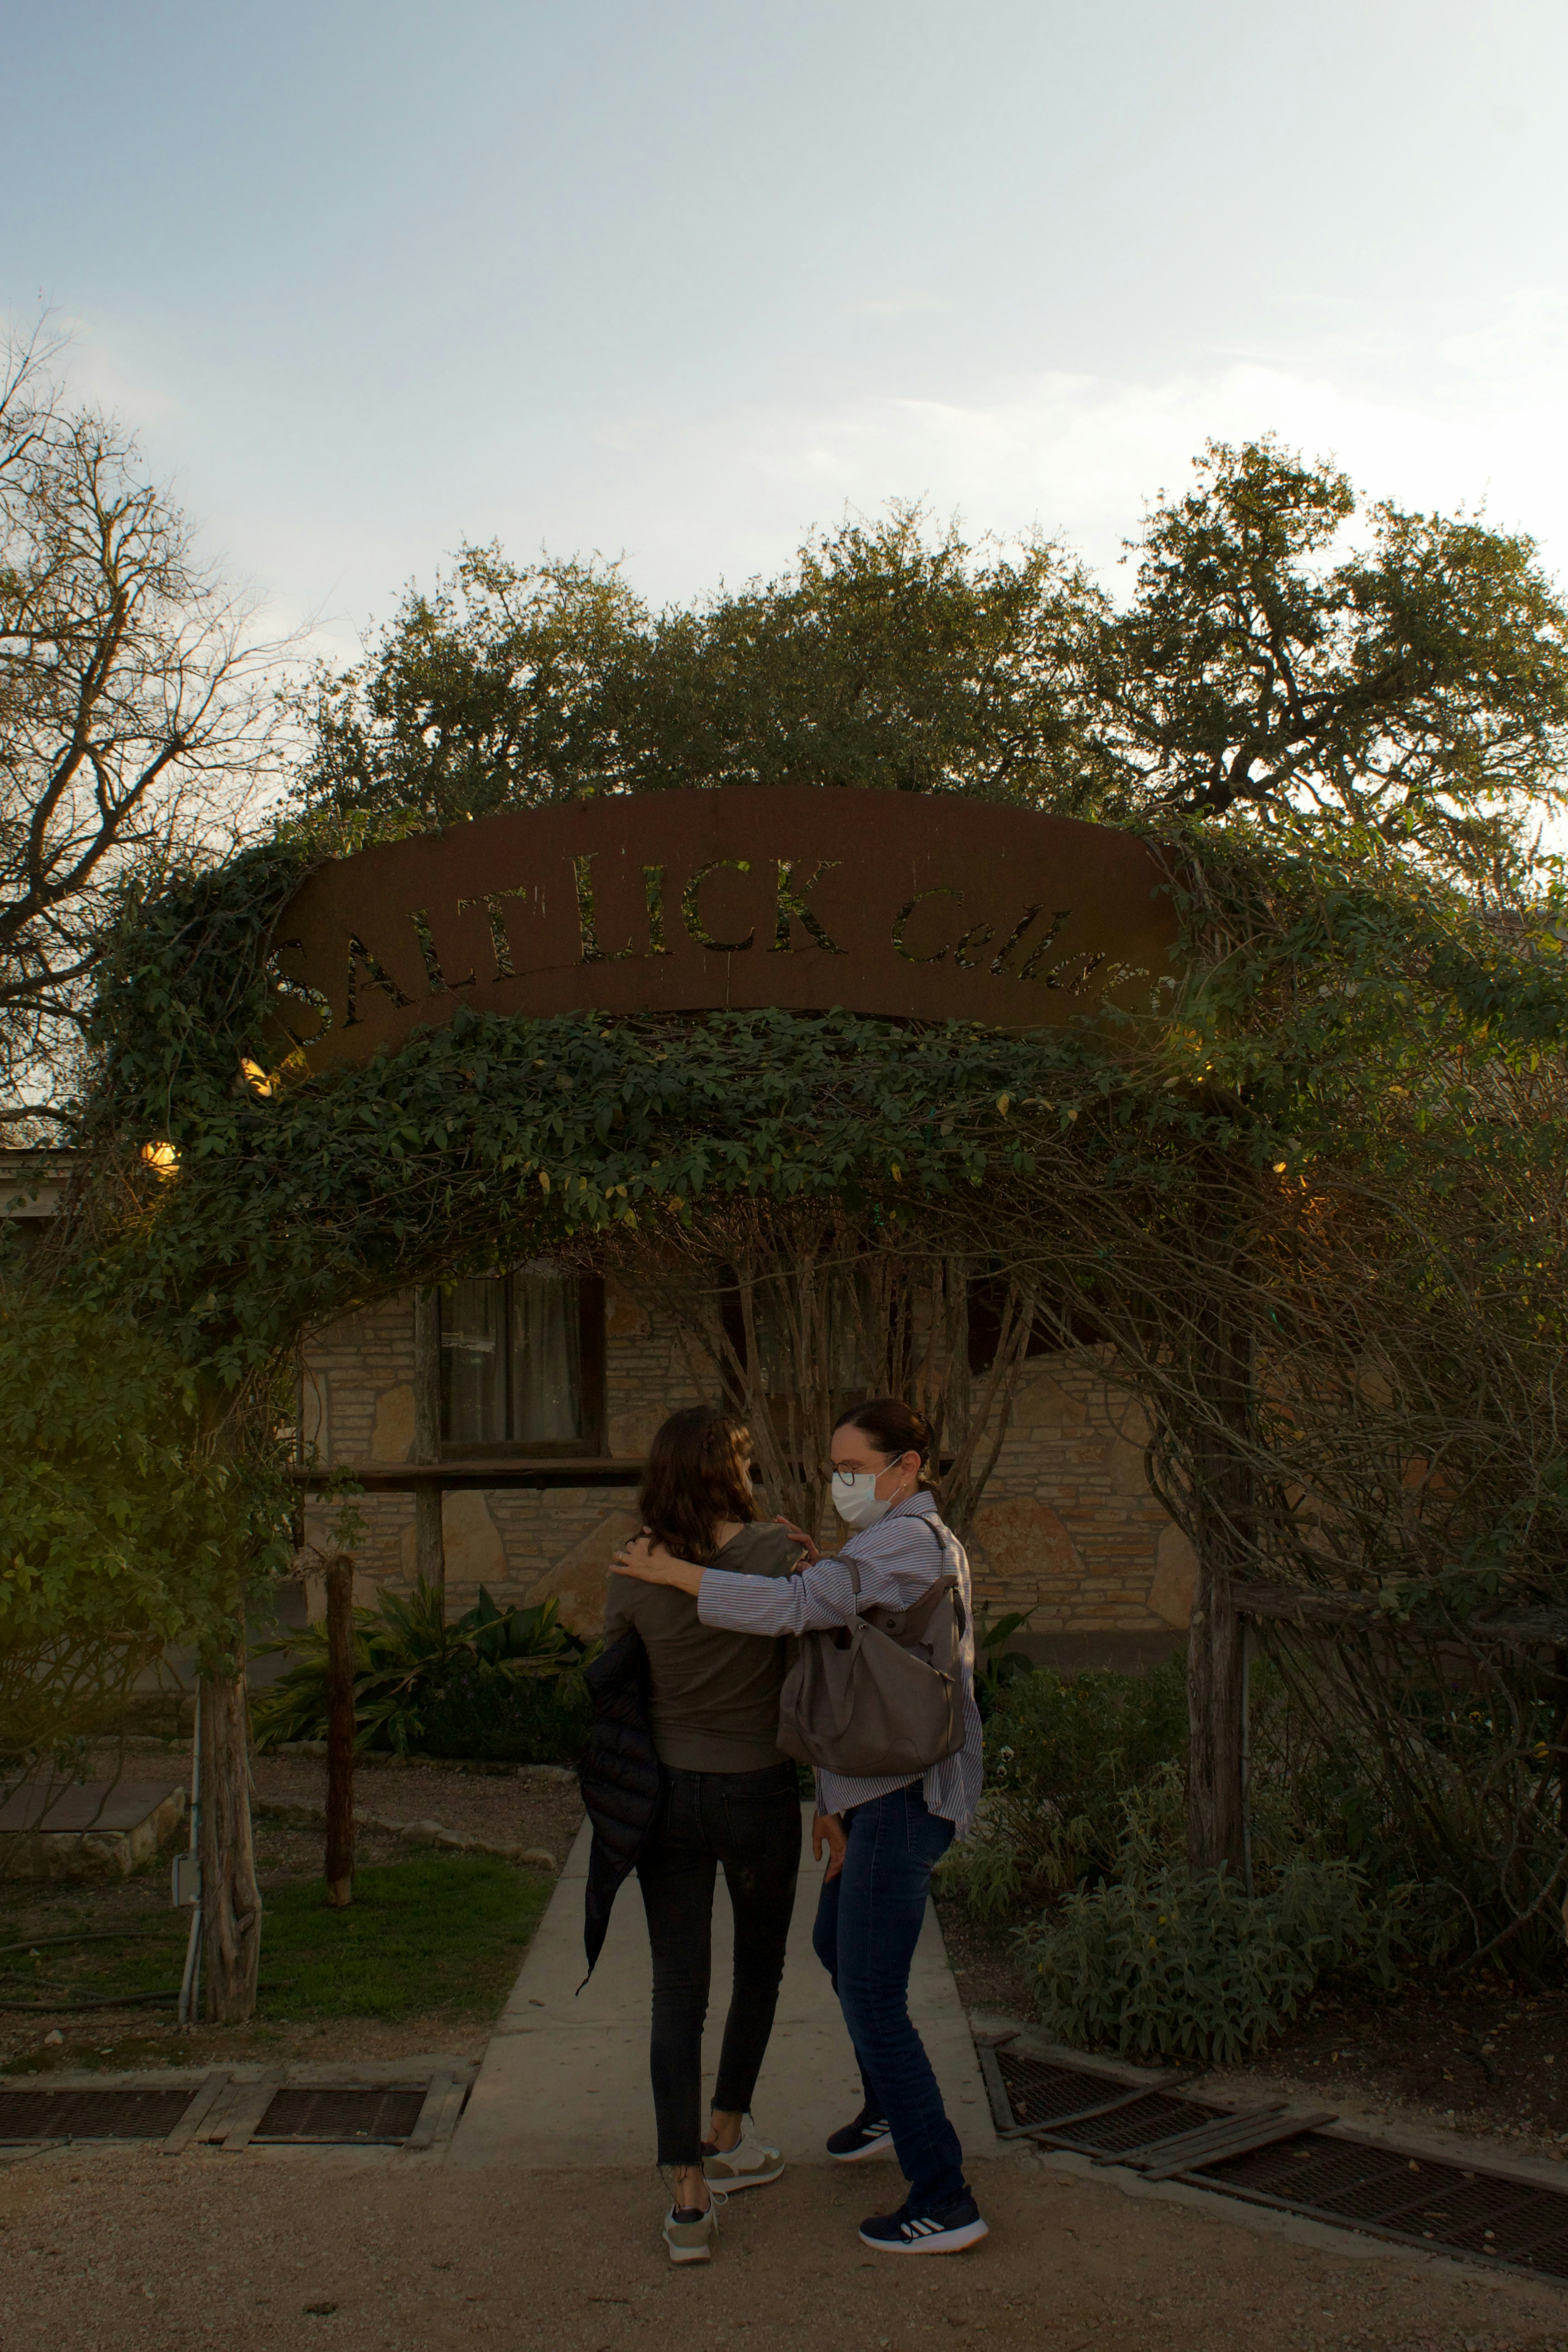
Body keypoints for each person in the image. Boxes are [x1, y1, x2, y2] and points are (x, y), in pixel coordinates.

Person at [613, 1396, 988, 2257]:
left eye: (854, 1468)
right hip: (839, 1795)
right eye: (837, 1467)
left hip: (895, 1800)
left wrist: (672, 1575)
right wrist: (832, 1800)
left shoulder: (902, 1538)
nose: (840, 1481)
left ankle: (944, 2195)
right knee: (818, 1947)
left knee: (859, 1991)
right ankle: (843, 2112)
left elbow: (792, 1614)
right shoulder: (859, 1543)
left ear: (907, 1468)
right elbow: (835, 1636)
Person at [599, 1404, 804, 2265]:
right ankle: (729, 2127)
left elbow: (615, 1674)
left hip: (667, 1800)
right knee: (759, 1967)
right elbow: (810, 1673)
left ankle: (689, 2200)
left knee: (677, 1990)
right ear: (733, 1470)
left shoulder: (634, 1565)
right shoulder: (779, 1556)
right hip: (758, 1790)